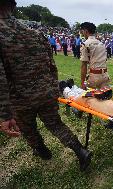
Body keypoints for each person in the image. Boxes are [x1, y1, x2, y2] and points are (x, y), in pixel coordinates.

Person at [0, 0, 93, 171]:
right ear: (13, 7)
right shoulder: (35, 34)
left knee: (28, 129)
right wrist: (53, 88)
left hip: (20, 98)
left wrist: (5, 114)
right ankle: (80, 151)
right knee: (56, 125)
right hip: (46, 92)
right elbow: (52, 67)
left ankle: (42, 151)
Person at [80, 22, 110, 89]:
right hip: (105, 75)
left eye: (82, 31)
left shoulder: (85, 44)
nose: (82, 33)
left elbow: (83, 65)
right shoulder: (101, 43)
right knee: (105, 97)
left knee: (91, 98)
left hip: (94, 76)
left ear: (86, 31)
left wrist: (82, 83)